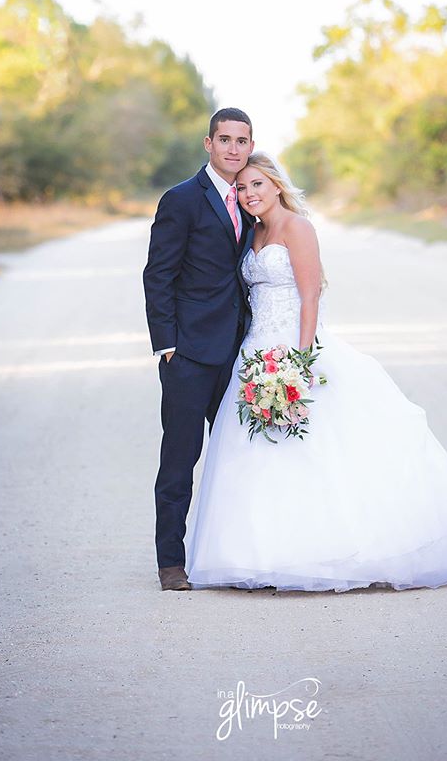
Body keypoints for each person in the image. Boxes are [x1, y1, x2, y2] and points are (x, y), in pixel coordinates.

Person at [184, 152, 447, 592]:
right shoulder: (252, 233)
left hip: (297, 349)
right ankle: (260, 553)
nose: (248, 194)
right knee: (256, 450)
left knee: (317, 448)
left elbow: (311, 295)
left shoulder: (298, 228)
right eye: (240, 188)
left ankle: (326, 551)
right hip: (254, 351)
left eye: (257, 184)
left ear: (276, 185)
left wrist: (299, 361)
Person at [142, 108, 257, 591]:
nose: (233, 148)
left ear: (251, 146)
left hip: (239, 352)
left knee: (243, 458)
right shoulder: (182, 199)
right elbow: (158, 274)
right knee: (180, 460)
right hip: (188, 354)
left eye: (242, 140)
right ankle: (171, 562)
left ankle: (244, 557)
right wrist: (167, 345)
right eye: (224, 139)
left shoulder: (255, 198)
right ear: (208, 144)